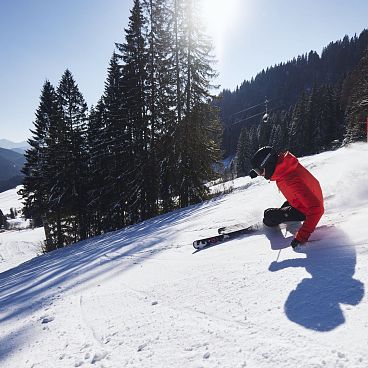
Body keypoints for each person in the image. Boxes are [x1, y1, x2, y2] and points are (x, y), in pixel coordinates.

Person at [249, 146, 324, 248]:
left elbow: (317, 209)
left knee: (269, 215)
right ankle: (281, 216)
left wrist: (301, 237)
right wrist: (257, 171)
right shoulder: (285, 167)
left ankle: (270, 223)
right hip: (302, 200)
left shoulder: (291, 180)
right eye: (257, 171)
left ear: (268, 165)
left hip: (305, 210)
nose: (260, 175)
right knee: (278, 210)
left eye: (260, 171)